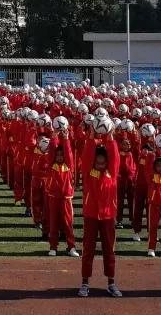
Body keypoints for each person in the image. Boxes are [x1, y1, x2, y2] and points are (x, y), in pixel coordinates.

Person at [79, 121, 122, 297]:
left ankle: (111, 283)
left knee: (109, 250)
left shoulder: (111, 174)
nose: (101, 165)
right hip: (91, 215)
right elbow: (87, 157)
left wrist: (110, 138)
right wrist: (91, 137)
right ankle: (84, 283)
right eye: (98, 163)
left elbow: (115, 157)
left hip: (108, 216)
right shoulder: (89, 174)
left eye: (104, 163)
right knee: (88, 249)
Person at [44, 132, 78, 257]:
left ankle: (71, 247)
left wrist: (66, 139)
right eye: (57, 155)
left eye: (61, 155)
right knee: (53, 224)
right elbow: (51, 153)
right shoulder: (51, 166)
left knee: (68, 224)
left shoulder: (68, 166)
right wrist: (53, 139)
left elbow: (69, 153)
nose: (59, 157)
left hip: (66, 198)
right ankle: (53, 247)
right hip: (53, 198)